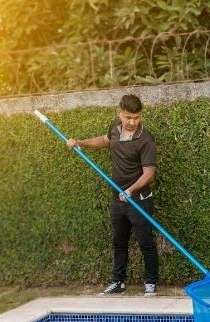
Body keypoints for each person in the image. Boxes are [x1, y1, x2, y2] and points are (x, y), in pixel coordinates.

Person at [66, 94, 159, 297]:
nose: (132, 122)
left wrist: (130, 190)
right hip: (118, 198)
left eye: (136, 117)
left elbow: (149, 174)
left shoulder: (146, 139)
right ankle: (118, 282)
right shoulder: (115, 127)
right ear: (120, 113)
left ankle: (151, 283)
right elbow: (104, 141)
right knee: (119, 241)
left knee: (145, 242)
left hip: (139, 200)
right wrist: (80, 142)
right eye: (128, 117)